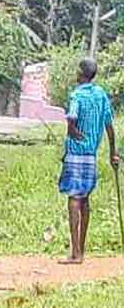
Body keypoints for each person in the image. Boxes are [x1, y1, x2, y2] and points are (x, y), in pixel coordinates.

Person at [58, 58, 118, 264]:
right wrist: (113, 152)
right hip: (91, 155)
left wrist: (72, 131)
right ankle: (81, 250)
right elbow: (109, 125)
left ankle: (75, 254)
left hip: (76, 154)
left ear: (82, 74)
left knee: (74, 199)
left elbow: (71, 117)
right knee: (85, 200)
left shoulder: (77, 95)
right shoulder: (101, 95)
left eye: (77, 70)